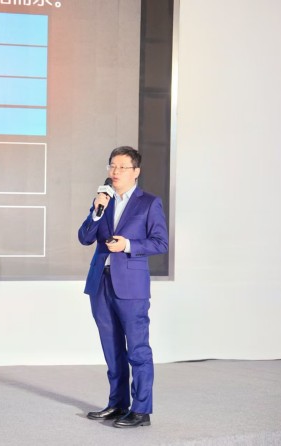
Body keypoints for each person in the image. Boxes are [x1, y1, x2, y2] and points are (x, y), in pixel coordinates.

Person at [78, 146, 168, 428]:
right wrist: (96, 212)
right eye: (112, 166)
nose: (115, 172)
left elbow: (160, 243)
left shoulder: (149, 203)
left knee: (137, 350)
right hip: (101, 283)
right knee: (112, 348)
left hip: (131, 286)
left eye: (122, 167)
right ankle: (117, 404)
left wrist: (128, 245)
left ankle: (141, 410)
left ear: (135, 171)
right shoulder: (103, 201)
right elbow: (84, 237)